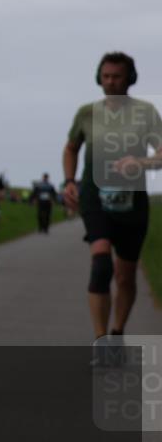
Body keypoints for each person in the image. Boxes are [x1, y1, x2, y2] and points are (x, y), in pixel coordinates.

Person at [62, 52, 161, 344]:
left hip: (132, 203)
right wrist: (69, 180)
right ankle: (101, 339)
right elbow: (70, 148)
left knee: (125, 277)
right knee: (102, 266)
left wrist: (140, 162)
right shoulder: (86, 113)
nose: (110, 82)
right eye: (105, 76)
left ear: (129, 78)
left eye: (116, 76)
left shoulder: (146, 113)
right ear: (98, 78)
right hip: (95, 197)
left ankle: (117, 332)